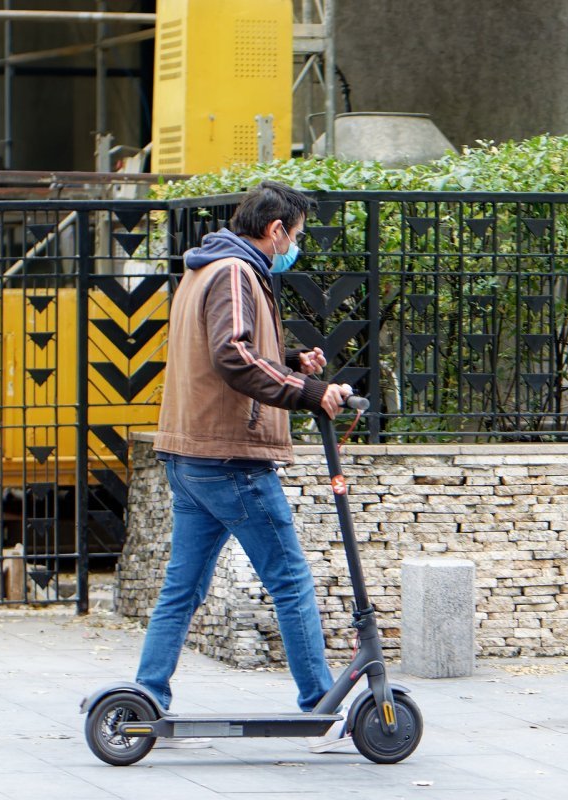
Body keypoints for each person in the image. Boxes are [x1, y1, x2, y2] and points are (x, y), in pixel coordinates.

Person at [136, 180, 354, 753]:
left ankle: (146, 695)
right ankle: (319, 706)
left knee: (181, 588)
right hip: (231, 455)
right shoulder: (236, 270)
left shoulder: (207, 267)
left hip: (191, 453)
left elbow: (229, 349)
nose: (295, 248)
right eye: (296, 236)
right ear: (275, 229)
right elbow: (232, 355)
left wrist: (288, 361)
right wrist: (309, 391)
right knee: (290, 580)